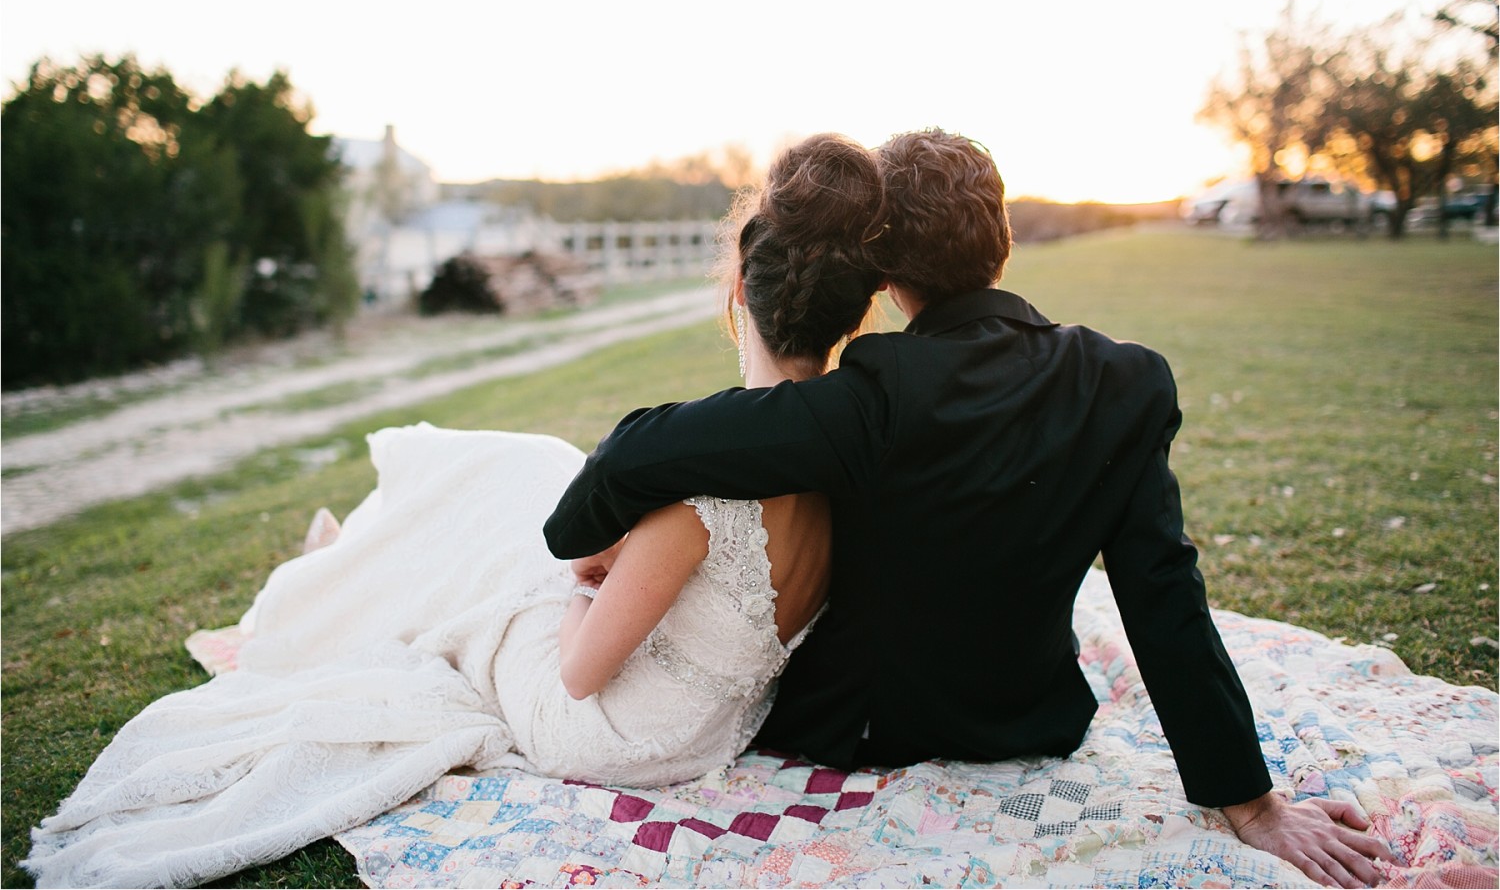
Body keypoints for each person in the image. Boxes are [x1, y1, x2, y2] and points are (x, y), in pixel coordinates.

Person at [23, 133, 887, 889]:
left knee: (503, 539)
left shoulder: (703, 493)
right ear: (853, 305)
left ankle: (337, 563)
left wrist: (589, 579)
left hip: (607, 730)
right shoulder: (841, 469)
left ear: (739, 285)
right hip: (709, 733)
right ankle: (349, 549)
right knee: (524, 478)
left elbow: (581, 673)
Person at [544, 128, 1398, 889]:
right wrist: (1248, 801)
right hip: (1035, 714)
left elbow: (644, 451)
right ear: (1003, 245)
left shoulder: (876, 390)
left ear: (884, 272)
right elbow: (1164, 594)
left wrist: (572, 538)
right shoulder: (1125, 381)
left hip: (862, 729)